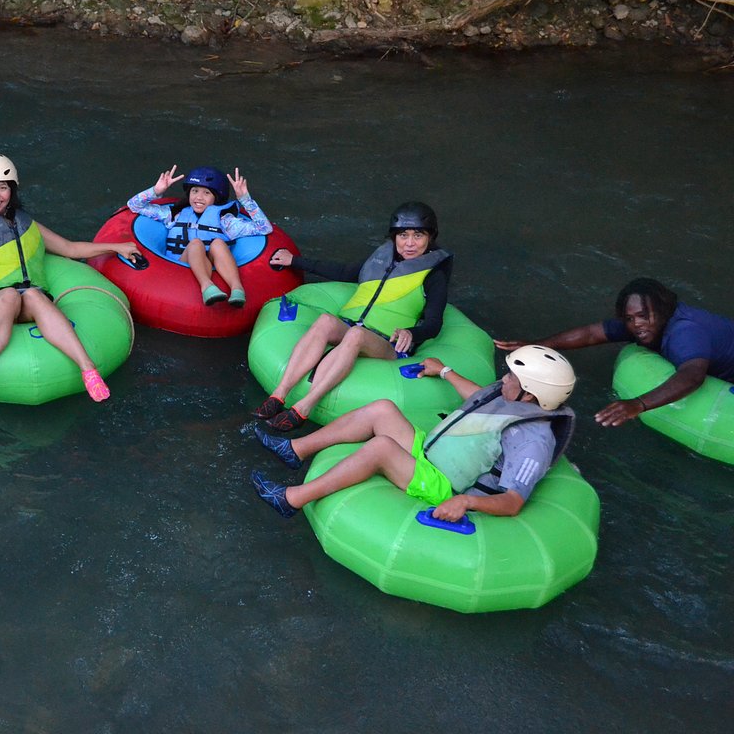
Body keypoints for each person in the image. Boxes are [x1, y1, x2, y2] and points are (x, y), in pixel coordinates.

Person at [0, 153, 141, 412]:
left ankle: (88, 369)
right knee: (10, 295)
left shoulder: (25, 223)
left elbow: (69, 248)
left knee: (33, 295)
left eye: (3, 187)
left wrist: (116, 247)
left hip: (25, 300)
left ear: (12, 190)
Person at [251, 345, 577, 521]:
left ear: (532, 395)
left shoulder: (534, 440)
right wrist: (445, 372)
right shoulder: (513, 398)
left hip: (445, 484)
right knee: (382, 409)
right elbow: (482, 400)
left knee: (381, 447)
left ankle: (291, 500)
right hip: (431, 454)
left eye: (511, 379)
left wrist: (464, 501)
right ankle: (295, 449)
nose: (504, 380)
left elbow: (513, 501)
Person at [253, 202, 452, 432]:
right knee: (326, 321)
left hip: (387, 344)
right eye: (403, 235)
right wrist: (295, 261)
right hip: (351, 325)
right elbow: (344, 272)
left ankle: (304, 407)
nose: (409, 243)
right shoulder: (382, 259)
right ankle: (278, 395)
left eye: (418, 235)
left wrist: (411, 332)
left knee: (357, 334)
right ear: (394, 237)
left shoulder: (434, 276)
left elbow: (435, 324)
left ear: (430, 237)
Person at [494, 277, 734, 427]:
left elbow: (692, 376)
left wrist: (637, 404)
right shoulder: (644, 326)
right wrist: (538, 344)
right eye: (629, 318)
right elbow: (590, 334)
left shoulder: (685, 332)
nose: (637, 324)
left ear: (662, 310)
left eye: (642, 315)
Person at [125, 165, 272, 307]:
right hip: (177, 268)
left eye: (206, 193)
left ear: (216, 197)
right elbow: (134, 205)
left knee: (218, 243)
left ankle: (237, 289)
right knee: (196, 243)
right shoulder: (174, 214)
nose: (199, 197)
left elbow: (264, 228)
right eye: (194, 191)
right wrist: (156, 191)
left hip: (213, 266)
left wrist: (245, 199)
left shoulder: (226, 221)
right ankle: (207, 286)